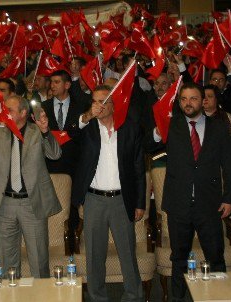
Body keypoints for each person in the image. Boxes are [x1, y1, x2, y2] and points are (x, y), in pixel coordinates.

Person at [156, 83, 231, 301]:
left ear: (204, 101)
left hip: (209, 204)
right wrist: (156, 133)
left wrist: (229, 198)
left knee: (215, 257)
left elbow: (228, 166)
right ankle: (178, 298)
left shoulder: (220, 127)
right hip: (178, 204)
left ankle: (218, 297)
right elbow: (147, 145)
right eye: (183, 99)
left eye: (193, 98)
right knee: (179, 259)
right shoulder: (170, 126)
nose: (188, 103)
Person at [68, 85, 146, 302]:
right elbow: (71, 130)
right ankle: (97, 297)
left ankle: (133, 296)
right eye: (94, 101)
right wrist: (87, 115)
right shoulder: (87, 128)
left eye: (102, 101)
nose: (98, 105)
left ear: (113, 105)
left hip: (122, 200)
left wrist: (140, 203)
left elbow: (139, 168)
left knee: (128, 254)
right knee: (94, 255)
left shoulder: (130, 128)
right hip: (94, 200)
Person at [0, 95, 61, 277]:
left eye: (9, 110)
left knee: (38, 259)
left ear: (23, 112)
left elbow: (55, 154)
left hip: (32, 203)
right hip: (5, 204)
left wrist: (46, 133)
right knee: (7, 262)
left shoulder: (37, 131)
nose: (5, 113)